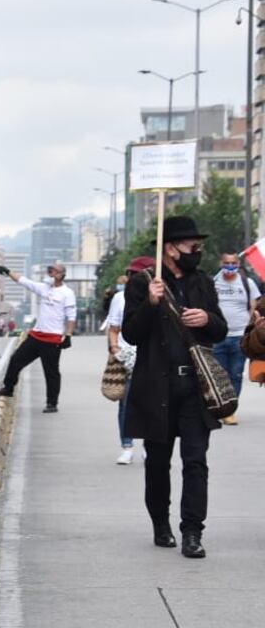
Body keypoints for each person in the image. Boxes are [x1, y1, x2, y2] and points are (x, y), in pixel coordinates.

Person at [121, 216, 227, 559]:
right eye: (192, 247)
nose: (197, 252)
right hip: (157, 386)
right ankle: (161, 525)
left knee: (196, 461)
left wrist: (207, 320)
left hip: (195, 386)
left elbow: (221, 329)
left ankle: (193, 532)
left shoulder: (202, 283)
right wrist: (151, 305)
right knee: (158, 462)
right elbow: (131, 334)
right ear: (170, 249)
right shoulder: (142, 283)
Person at [0, 262, 76, 413]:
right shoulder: (44, 288)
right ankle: (8, 388)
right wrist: (7, 270)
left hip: (53, 339)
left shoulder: (67, 293)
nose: (49, 273)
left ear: (61, 275)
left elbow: (71, 316)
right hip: (36, 336)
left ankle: (52, 403)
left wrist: (68, 335)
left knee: (51, 373)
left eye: (53, 271)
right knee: (15, 360)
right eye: (49, 270)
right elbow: (23, 281)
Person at [105, 260, 150, 465]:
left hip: (152, 356)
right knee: (126, 403)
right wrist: (115, 349)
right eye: (131, 275)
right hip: (127, 356)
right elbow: (113, 327)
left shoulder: (158, 297)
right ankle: (127, 446)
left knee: (152, 404)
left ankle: (150, 445)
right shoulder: (120, 298)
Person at [210, 252, 258, 425]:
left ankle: (229, 410)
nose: (230, 266)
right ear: (220, 263)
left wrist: (249, 327)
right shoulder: (213, 283)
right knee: (219, 375)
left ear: (238, 264)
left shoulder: (247, 283)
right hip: (218, 336)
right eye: (226, 263)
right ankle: (220, 406)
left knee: (236, 375)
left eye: (233, 263)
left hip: (239, 336)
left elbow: (253, 306)